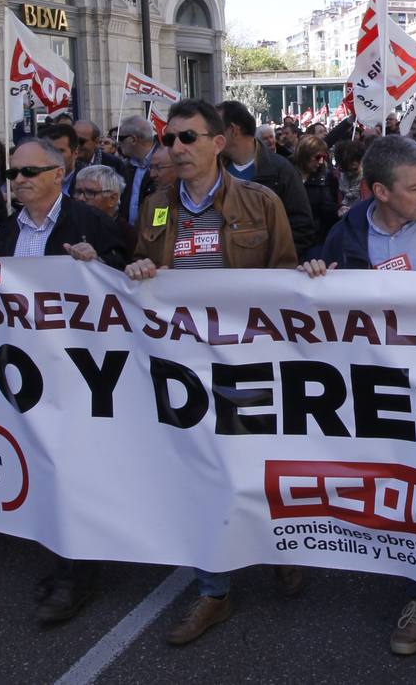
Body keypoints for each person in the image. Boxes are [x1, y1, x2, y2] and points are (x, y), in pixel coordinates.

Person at [299, 136, 416, 668]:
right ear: (379, 190)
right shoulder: (345, 234)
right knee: (403, 484)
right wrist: (315, 276)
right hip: (378, 390)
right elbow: (317, 307)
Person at [123, 99, 300, 645]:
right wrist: (138, 270)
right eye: (169, 139)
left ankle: (280, 546)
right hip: (183, 367)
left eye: (187, 138)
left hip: (247, 363)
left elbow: (285, 277)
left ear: (218, 142)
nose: (174, 149)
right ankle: (212, 590)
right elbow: (142, 275)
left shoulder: (261, 202)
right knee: (198, 472)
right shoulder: (156, 205)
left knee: (258, 465)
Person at [0, 138, 124, 622]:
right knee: (44, 463)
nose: (20, 180)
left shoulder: (91, 223)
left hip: (81, 368)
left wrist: (101, 266)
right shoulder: (4, 231)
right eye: (13, 174)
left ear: (60, 173)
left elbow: (131, 291)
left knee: (75, 467)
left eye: (31, 171)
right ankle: (61, 556)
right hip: (26, 371)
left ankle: (77, 573)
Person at [219, 100, 316, 256]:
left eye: (215, 128)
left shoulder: (281, 170)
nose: (210, 135)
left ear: (232, 130)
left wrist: (274, 264)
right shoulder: (215, 170)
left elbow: (301, 227)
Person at [73, 163, 134, 248]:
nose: (80, 198)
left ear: (112, 199)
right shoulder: (67, 224)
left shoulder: (126, 234)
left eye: (90, 193)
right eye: (78, 192)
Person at [295, 134, 340, 249]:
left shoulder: (327, 178)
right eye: (318, 157)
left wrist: (338, 211)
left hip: (317, 240)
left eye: (324, 158)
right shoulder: (287, 174)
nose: (321, 162)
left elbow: (329, 209)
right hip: (292, 237)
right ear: (305, 155)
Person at [115, 114, 157, 227]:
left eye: (121, 138)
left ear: (133, 139)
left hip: (155, 236)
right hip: (128, 237)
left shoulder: (165, 161)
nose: (118, 142)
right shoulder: (124, 166)